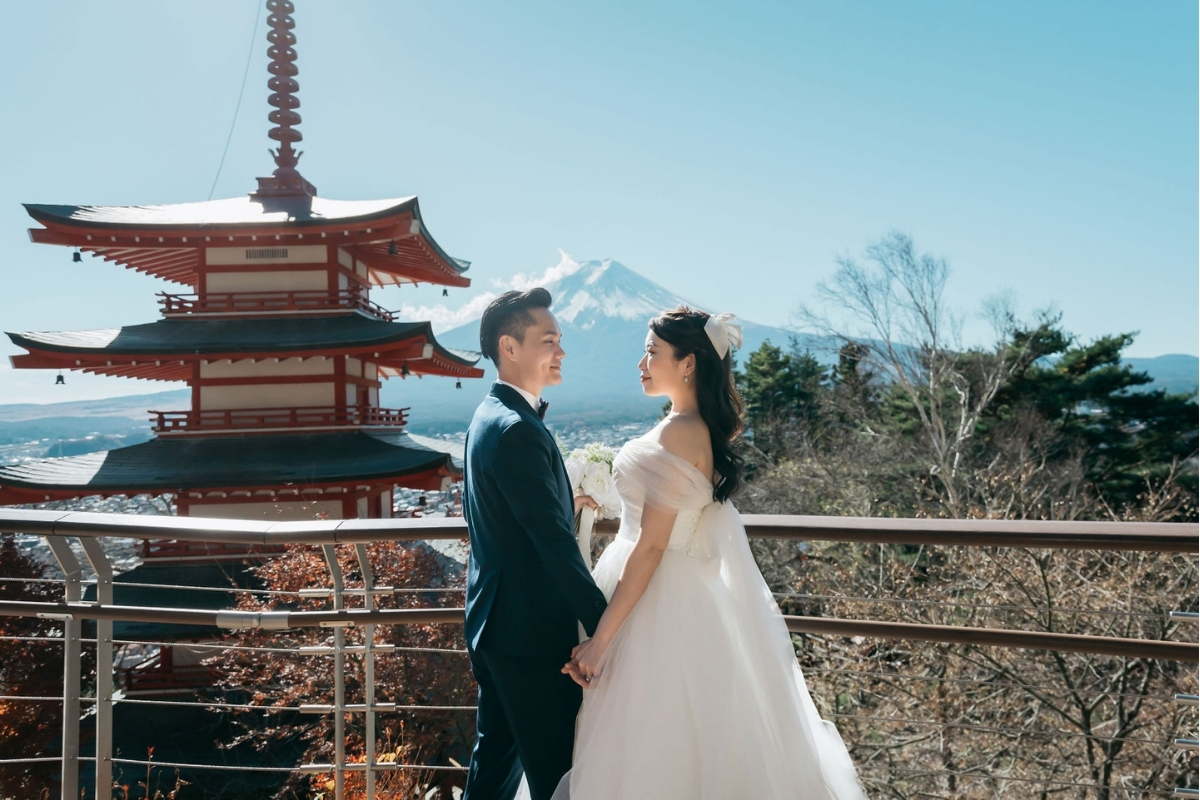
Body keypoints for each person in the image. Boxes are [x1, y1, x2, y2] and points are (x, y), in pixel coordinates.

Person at [554, 306, 867, 799]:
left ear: (689, 363)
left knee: (649, 749)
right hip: (672, 593)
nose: (641, 362)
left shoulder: (680, 432)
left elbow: (653, 545)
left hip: (654, 603)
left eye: (652, 351)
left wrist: (601, 641)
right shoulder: (691, 426)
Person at [461, 288, 608, 800]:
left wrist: (565, 502)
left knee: (493, 771)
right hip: (528, 637)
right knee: (556, 776)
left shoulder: (489, 416)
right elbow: (552, 547)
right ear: (510, 347)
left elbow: (512, 520)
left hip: (494, 624)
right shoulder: (517, 430)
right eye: (549, 341)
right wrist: (605, 625)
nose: (561, 352)